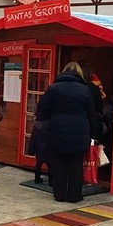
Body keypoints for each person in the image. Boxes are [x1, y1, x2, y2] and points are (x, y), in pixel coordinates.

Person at [37, 62, 98, 203]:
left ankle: (59, 194)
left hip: (57, 128)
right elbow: (92, 113)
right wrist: (94, 134)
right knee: (76, 164)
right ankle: (74, 195)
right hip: (79, 130)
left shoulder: (53, 88)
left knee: (59, 163)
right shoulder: (85, 90)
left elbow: (42, 108)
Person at [27, 112, 51, 186]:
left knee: (38, 163)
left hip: (39, 147)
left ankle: (37, 179)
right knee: (50, 165)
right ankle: (51, 181)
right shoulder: (51, 124)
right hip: (49, 147)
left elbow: (33, 139)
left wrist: (31, 150)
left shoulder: (37, 125)